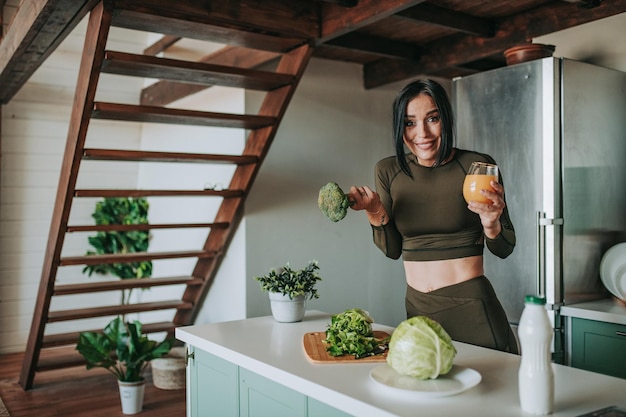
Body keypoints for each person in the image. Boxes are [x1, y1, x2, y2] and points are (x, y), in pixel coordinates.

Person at [348, 79, 519, 354]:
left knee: (490, 394)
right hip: (418, 309)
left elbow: (505, 248)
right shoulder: (389, 170)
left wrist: (491, 224)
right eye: (410, 123)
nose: (422, 133)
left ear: (446, 120)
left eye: (433, 118)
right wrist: (374, 210)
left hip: (472, 307)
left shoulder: (475, 166)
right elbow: (393, 250)